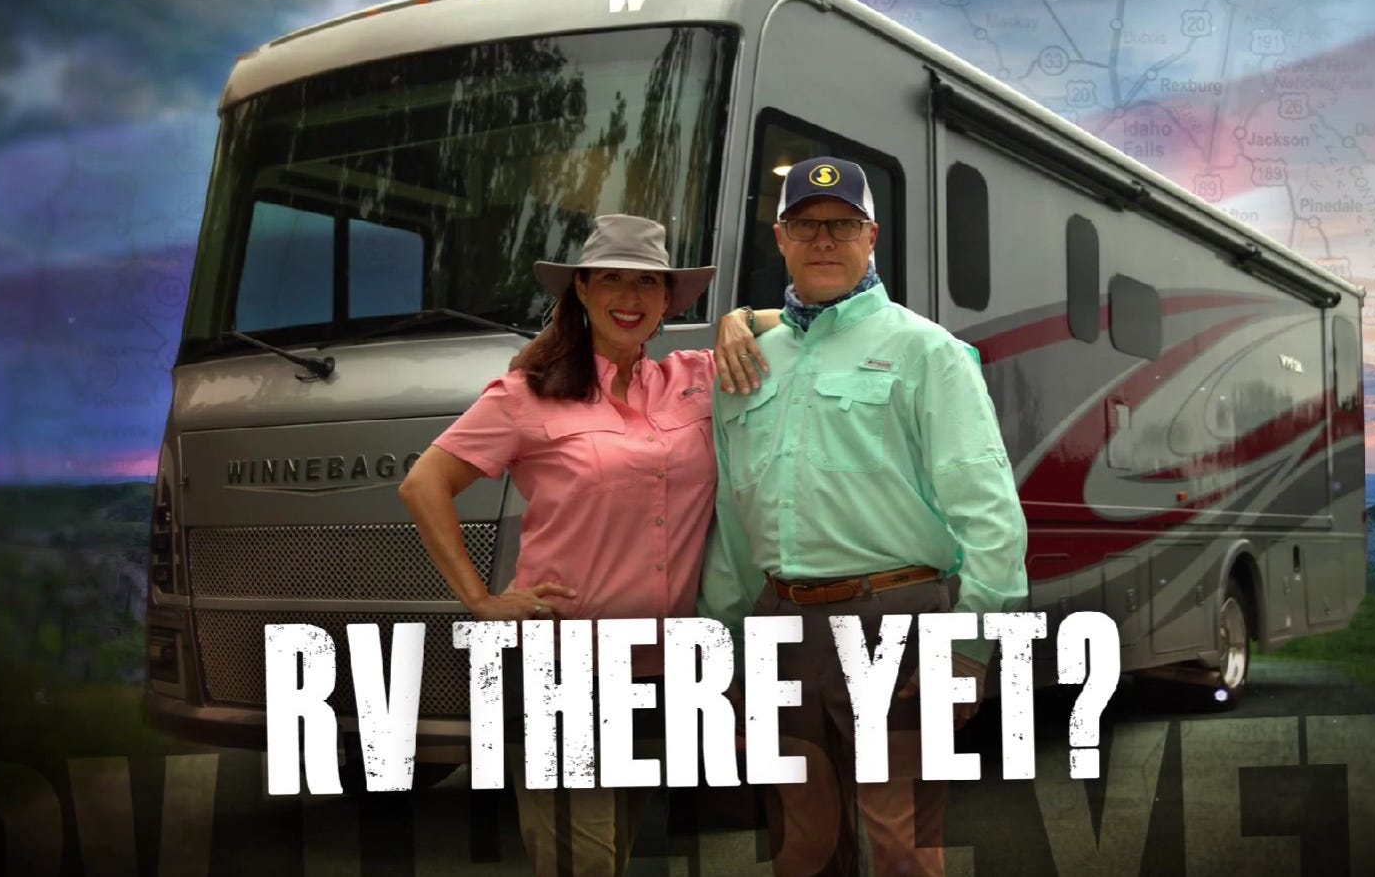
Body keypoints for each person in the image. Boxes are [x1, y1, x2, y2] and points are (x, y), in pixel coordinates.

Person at [398, 213, 773, 876]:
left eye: (647, 283)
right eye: (611, 279)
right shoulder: (525, 394)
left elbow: (805, 321)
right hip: (564, 668)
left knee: (615, 853)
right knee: (585, 863)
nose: (629, 297)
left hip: (664, 669)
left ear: (668, 300)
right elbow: (424, 484)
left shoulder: (693, 378)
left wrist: (738, 318)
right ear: (581, 289)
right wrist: (481, 600)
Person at [699, 157, 1030, 876]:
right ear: (780, 239)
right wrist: (728, 659)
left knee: (902, 848)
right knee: (802, 851)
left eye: (842, 224)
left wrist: (969, 649)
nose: (824, 239)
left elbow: (990, 511)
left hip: (897, 623)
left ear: (871, 236)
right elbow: (731, 523)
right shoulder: (746, 365)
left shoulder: (927, 351)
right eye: (805, 225)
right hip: (779, 630)